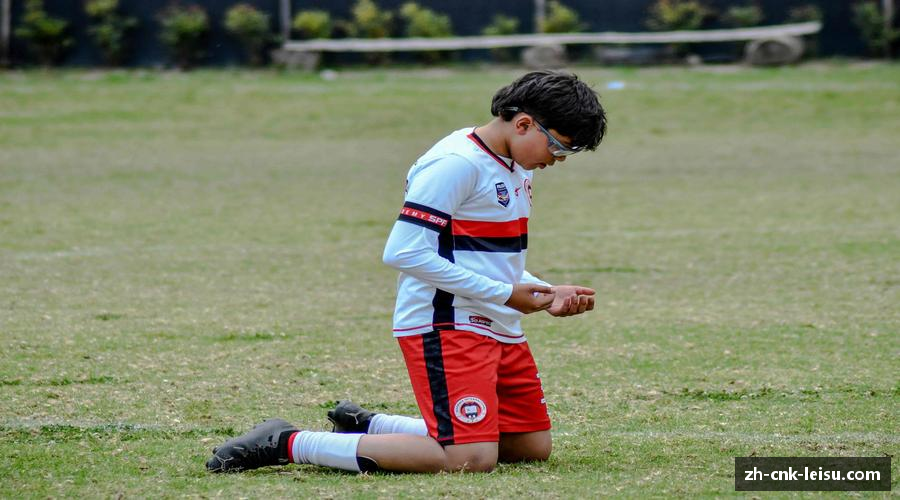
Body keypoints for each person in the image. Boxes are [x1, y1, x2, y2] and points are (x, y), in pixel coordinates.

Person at [206, 70, 608, 474]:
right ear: (523, 124)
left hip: (497, 322)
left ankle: (372, 427)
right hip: (447, 322)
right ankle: (287, 442)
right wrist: (505, 294)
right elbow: (404, 252)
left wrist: (544, 290)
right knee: (470, 459)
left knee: (528, 446)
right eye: (558, 146)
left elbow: (482, 254)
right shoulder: (456, 164)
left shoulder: (516, 166)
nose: (556, 159)